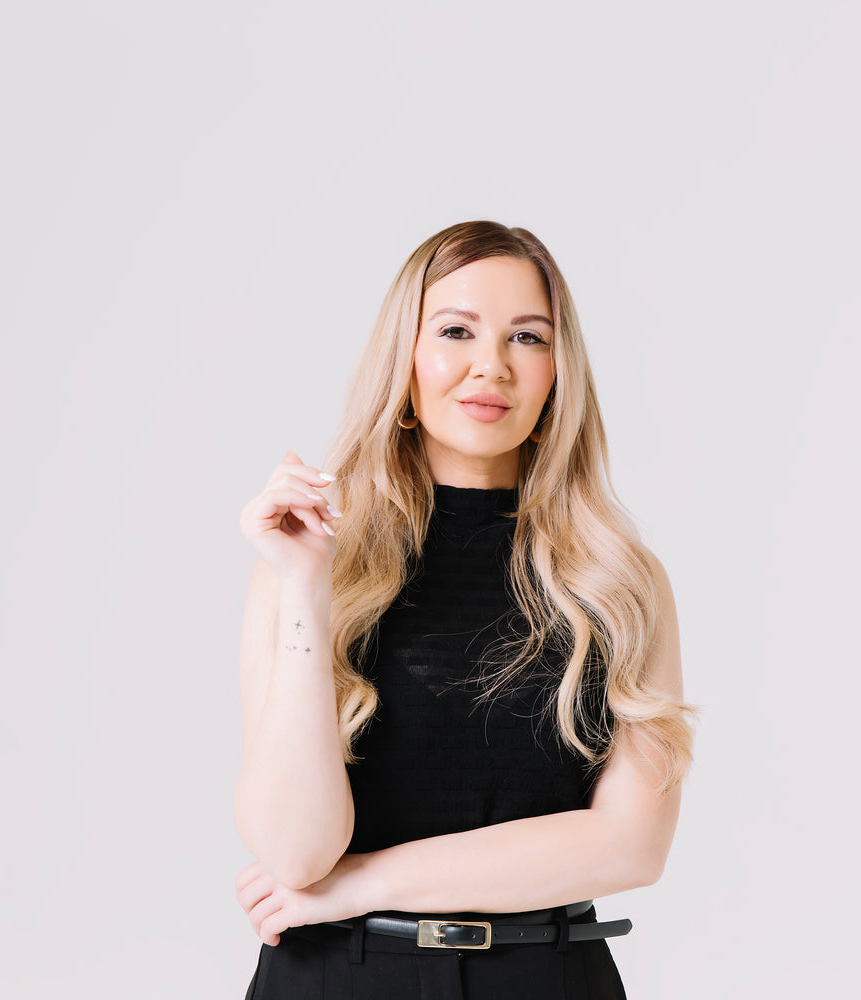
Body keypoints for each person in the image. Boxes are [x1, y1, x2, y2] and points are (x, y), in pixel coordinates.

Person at [231, 220, 695, 999]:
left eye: (527, 337)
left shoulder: (619, 581)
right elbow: (296, 854)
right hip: (340, 982)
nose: (492, 365)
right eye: (456, 331)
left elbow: (631, 847)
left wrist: (363, 885)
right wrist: (307, 586)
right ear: (405, 359)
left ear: (557, 374)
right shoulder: (308, 565)